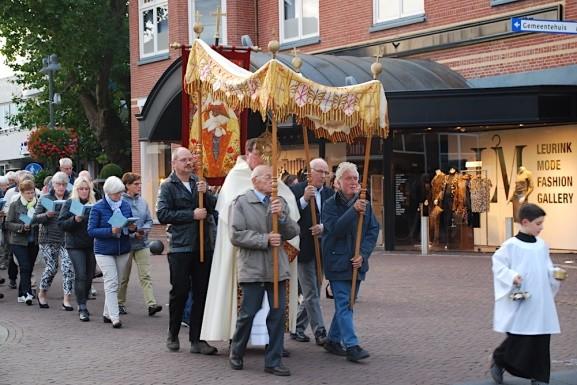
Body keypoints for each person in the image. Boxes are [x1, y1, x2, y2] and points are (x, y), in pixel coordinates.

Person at [201, 138, 300, 345]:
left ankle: (272, 345)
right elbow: (231, 212)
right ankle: (237, 344)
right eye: (259, 154)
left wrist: (281, 215)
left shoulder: (272, 179)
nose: (263, 159)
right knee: (248, 307)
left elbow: (289, 206)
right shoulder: (237, 176)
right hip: (245, 253)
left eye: (267, 155)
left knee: (275, 307)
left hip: (274, 253)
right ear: (247, 153)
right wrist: (262, 236)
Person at [228, 165, 300, 376]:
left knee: (277, 316)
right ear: (255, 180)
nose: (273, 180)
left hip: (278, 268)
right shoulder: (241, 202)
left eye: (274, 176)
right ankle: (237, 350)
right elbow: (236, 235)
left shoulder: (279, 202)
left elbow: (293, 231)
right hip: (253, 267)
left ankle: (273, 360)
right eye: (268, 177)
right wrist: (264, 239)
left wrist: (283, 217)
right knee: (248, 313)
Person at [489, 203, 562, 385]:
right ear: (525, 222)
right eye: (538, 224)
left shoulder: (542, 245)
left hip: (541, 299)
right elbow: (498, 264)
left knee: (542, 337)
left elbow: (547, 267)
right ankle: (499, 359)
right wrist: (511, 276)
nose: (541, 227)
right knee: (521, 338)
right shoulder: (511, 246)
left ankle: (540, 377)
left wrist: (555, 274)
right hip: (523, 298)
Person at [156, 147, 218, 354]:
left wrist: (205, 194)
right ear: (174, 163)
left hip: (203, 245)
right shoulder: (168, 186)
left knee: (201, 292)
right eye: (183, 160)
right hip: (181, 247)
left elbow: (213, 208)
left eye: (190, 159)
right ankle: (173, 333)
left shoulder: (199, 182)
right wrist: (190, 214)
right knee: (180, 291)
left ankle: (197, 339)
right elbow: (163, 214)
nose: (188, 163)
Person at [321, 162, 379, 362]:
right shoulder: (329, 205)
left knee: (347, 303)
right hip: (337, 261)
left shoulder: (365, 204)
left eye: (355, 178)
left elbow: (373, 230)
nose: (353, 182)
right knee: (345, 303)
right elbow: (335, 229)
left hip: (357, 262)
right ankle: (352, 345)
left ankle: (333, 340)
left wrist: (363, 254)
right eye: (348, 178)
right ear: (338, 183)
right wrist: (353, 210)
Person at [289, 158, 333, 345]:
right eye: (320, 172)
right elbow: (289, 216)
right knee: (311, 292)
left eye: (326, 172)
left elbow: (334, 219)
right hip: (305, 248)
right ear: (309, 172)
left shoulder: (331, 194)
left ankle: (296, 326)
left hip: (322, 249)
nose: (323, 176)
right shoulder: (296, 191)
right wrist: (304, 201)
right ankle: (320, 331)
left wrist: (323, 227)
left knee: (313, 290)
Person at [87, 176, 135, 328]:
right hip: (104, 250)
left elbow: (128, 223)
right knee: (111, 282)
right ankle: (115, 317)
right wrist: (110, 230)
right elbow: (91, 230)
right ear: (108, 193)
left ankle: (107, 313)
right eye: (116, 194)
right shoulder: (98, 207)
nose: (119, 196)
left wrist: (132, 228)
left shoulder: (125, 206)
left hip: (123, 248)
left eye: (120, 193)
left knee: (118, 282)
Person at [117, 172, 162, 317]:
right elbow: (118, 224)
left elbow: (149, 219)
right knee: (124, 277)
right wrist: (131, 233)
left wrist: (146, 229)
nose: (139, 187)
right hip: (126, 245)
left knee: (146, 276)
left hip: (142, 243)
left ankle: (151, 304)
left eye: (139, 184)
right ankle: (119, 303)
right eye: (136, 184)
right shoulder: (120, 203)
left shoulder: (143, 202)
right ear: (127, 186)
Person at [58, 176, 97, 320]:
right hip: (74, 244)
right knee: (80, 274)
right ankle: (82, 307)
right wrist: (74, 219)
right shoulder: (70, 203)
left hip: (91, 243)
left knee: (90, 275)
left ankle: (83, 299)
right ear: (76, 189)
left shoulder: (93, 204)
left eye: (86, 189)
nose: (84, 191)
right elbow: (61, 224)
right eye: (81, 188)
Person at [34, 171, 74, 310]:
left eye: (64, 184)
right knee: (51, 268)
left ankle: (67, 299)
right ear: (53, 184)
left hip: (66, 238)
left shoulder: (71, 198)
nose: (61, 187)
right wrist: (47, 214)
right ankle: (42, 293)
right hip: (48, 238)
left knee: (68, 268)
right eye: (58, 184)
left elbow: (79, 214)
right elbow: (34, 218)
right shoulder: (45, 198)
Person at [4, 179, 39, 305]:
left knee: (29, 268)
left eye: (32, 192)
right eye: (28, 193)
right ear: (22, 193)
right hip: (18, 241)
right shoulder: (15, 205)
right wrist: (21, 227)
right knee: (25, 266)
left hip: (34, 241)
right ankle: (27, 293)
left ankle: (21, 294)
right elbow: (7, 224)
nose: (31, 195)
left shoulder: (38, 204)